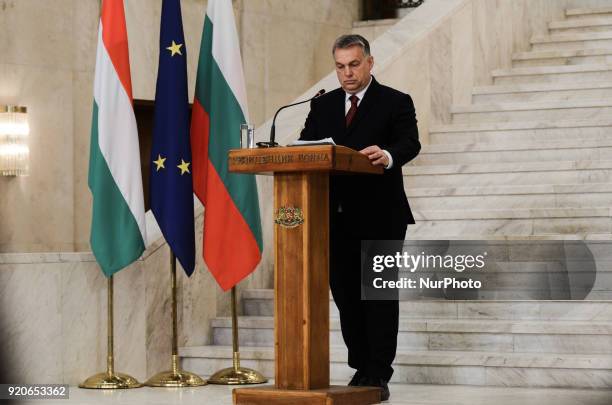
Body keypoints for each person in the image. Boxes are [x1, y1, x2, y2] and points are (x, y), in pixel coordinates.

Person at [299, 34, 420, 401]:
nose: (347, 73)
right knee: (346, 294)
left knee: (378, 295)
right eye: (340, 66)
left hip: (381, 214)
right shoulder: (323, 106)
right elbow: (306, 146)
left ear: (370, 62)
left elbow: (409, 143)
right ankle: (362, 364)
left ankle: (378, 371)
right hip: (333, 217)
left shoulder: (395, 101)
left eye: (354, 64)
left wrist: (386, 154)